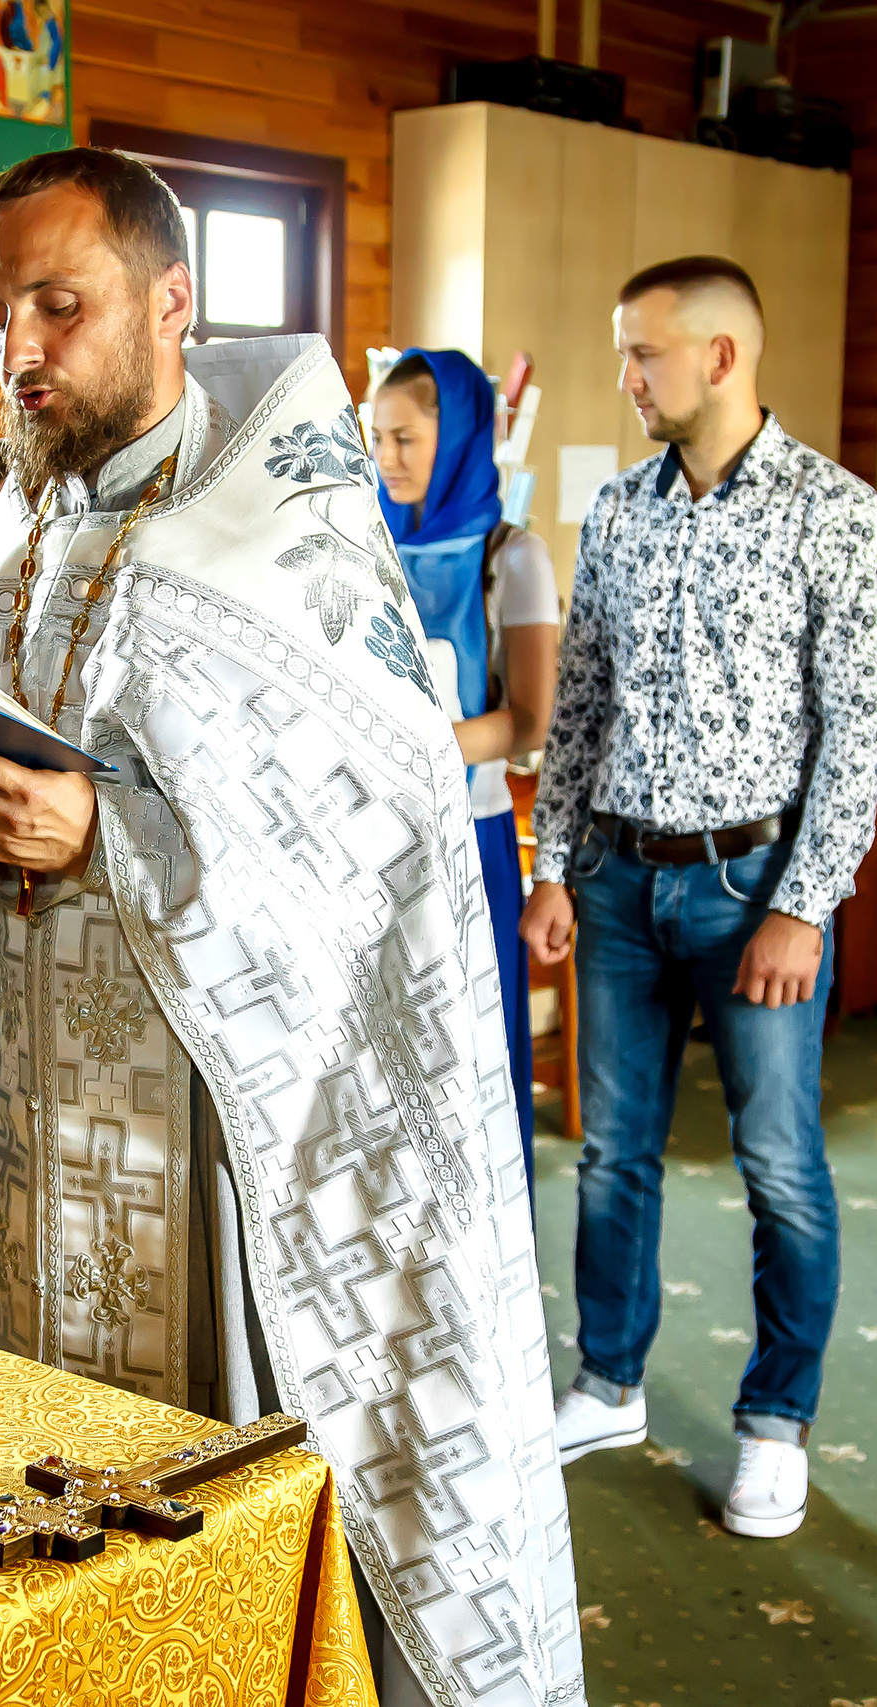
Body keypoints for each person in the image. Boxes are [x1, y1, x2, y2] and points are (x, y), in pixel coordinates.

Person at [0, 146, 584, 1707]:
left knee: (226, 1531)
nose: (19, 350)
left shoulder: (287, 531)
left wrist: (111, 829)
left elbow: (381, 850)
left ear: (173, 301)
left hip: (225, 1143)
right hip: (30, 1136)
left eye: (58, 304)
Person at [523, 255, 877, 1540]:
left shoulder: (838, 516)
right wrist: (551, 867)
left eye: (644, 354)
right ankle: (609, 1384)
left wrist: (806, 906)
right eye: (624, 353)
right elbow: (580, 707)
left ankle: (774, 1422)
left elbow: (859, 739)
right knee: (613, 1158)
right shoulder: (621, 510)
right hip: (619, 887)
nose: (626, 377)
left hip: (758, 890)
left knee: (779, 1167)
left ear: (722, 359)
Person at [370, 348, 560, 1161]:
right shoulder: (365, 542)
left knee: (469, 1061)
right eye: (376, 438)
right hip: (371, 839)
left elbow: (531, 722)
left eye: (406, 438)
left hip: (467, 838)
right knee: (384, 1070)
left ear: (458, 435)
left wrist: (421, 747)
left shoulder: (511, 555)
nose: (388, 458)